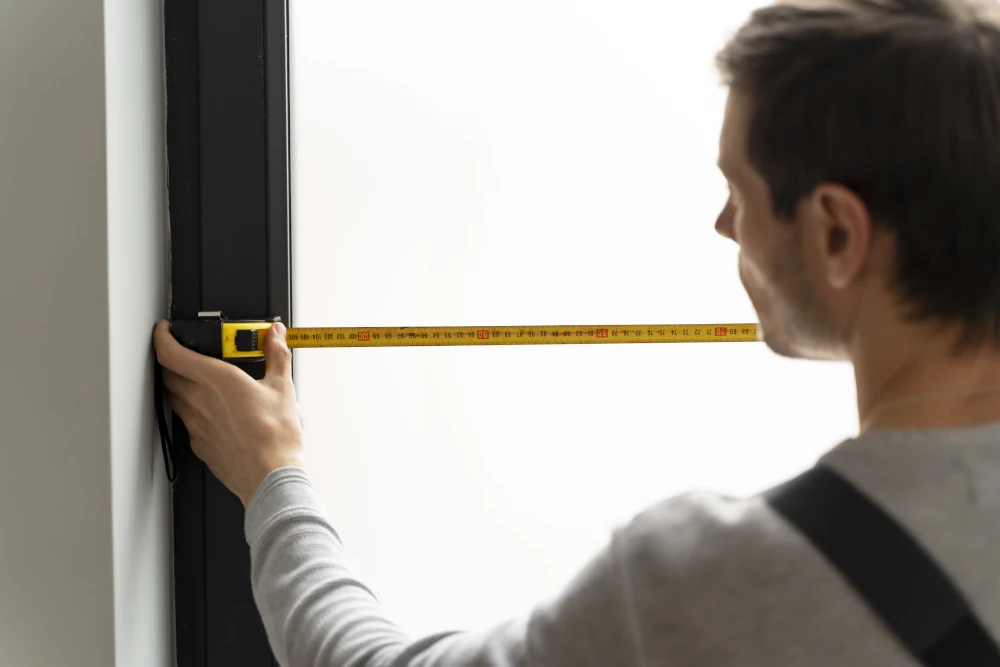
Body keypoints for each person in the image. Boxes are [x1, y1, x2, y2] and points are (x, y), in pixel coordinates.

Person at [153, 0, 1000, 664]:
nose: (722, 225)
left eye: (739, 191)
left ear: (838, 235)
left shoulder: (713, 582)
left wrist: (275, 477)